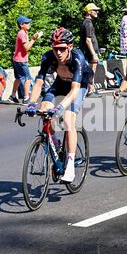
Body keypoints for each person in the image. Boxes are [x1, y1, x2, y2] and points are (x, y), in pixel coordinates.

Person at [25, 27, 92, 183]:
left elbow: (75, 90)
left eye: (62, 48)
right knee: (44, 110)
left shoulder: (77, 58)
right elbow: (39, 82)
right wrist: (31, 103)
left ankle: (70, 164)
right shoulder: (48, 57)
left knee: (68, 119)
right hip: (60, 83)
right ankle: (55, 144)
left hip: (79, 85)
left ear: (69, 46)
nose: (59, 53)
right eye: (55, 49)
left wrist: (61, 107)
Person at [8, 16, 40, 104]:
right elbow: (26, 48)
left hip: (17, 59)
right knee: (28, 78)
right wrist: (33, 39)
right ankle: (26, 99)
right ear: (22, 25)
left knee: (18, 78)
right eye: (27, 23)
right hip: (20, 60)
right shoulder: (22, 33)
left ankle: (12, 96)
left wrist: (33, 38)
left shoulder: (23, 32)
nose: (29, 24)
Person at [79, 3, 101, 96]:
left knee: (92, 70)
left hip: (91, 51)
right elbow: (88, 40)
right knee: (91, 71)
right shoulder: (88, 23)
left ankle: (91, 89)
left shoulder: (88, 22)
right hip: (90, 52)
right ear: (89, 12)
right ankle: (90, 90)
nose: (97, 12)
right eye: (95, 10)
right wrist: (93, 54)